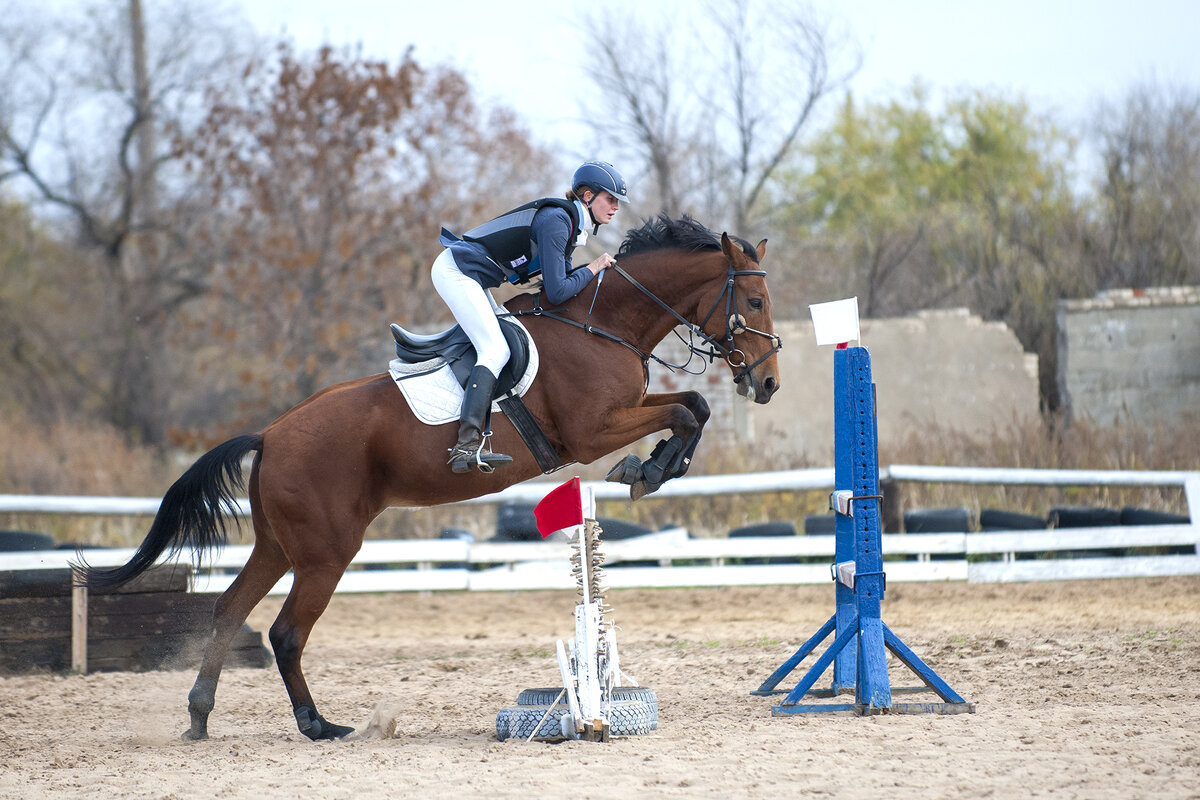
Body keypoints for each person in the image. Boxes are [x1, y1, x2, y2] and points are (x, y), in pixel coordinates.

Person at [433, 160, 631, 474]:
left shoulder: (567, 225)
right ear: (588, 195)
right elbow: (558, 292)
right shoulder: (557, 221)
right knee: (495, 349)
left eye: (618, 201)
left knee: (502, 343)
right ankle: (466, 444)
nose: (616, 207)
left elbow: (562, 287)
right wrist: (593, 267)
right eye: (611, 199)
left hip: (474, 276)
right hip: (457, 271)